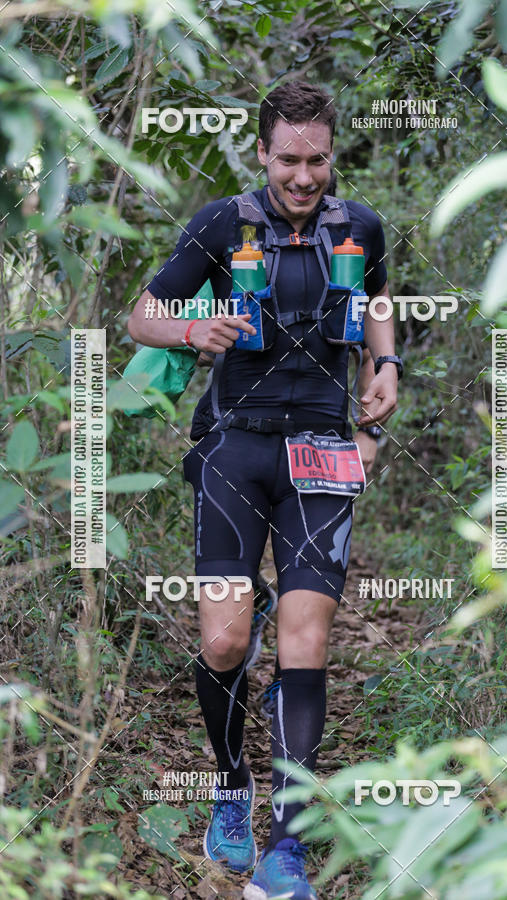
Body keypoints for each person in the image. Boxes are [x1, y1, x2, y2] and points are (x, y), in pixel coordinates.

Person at [127, 80, 401, 900]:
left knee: (304, 641)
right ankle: (228, 787)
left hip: (322, 450)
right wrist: (191, 329)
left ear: (332, 154)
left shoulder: (360, 226)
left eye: (318, 160)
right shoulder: (223, 223)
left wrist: (385, 367)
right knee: (221, 639)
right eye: (289, 159)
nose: (305, 176)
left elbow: (379, 298)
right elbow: (141, 315)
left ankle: (287, 845)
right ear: (263, 153)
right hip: (232, 451)